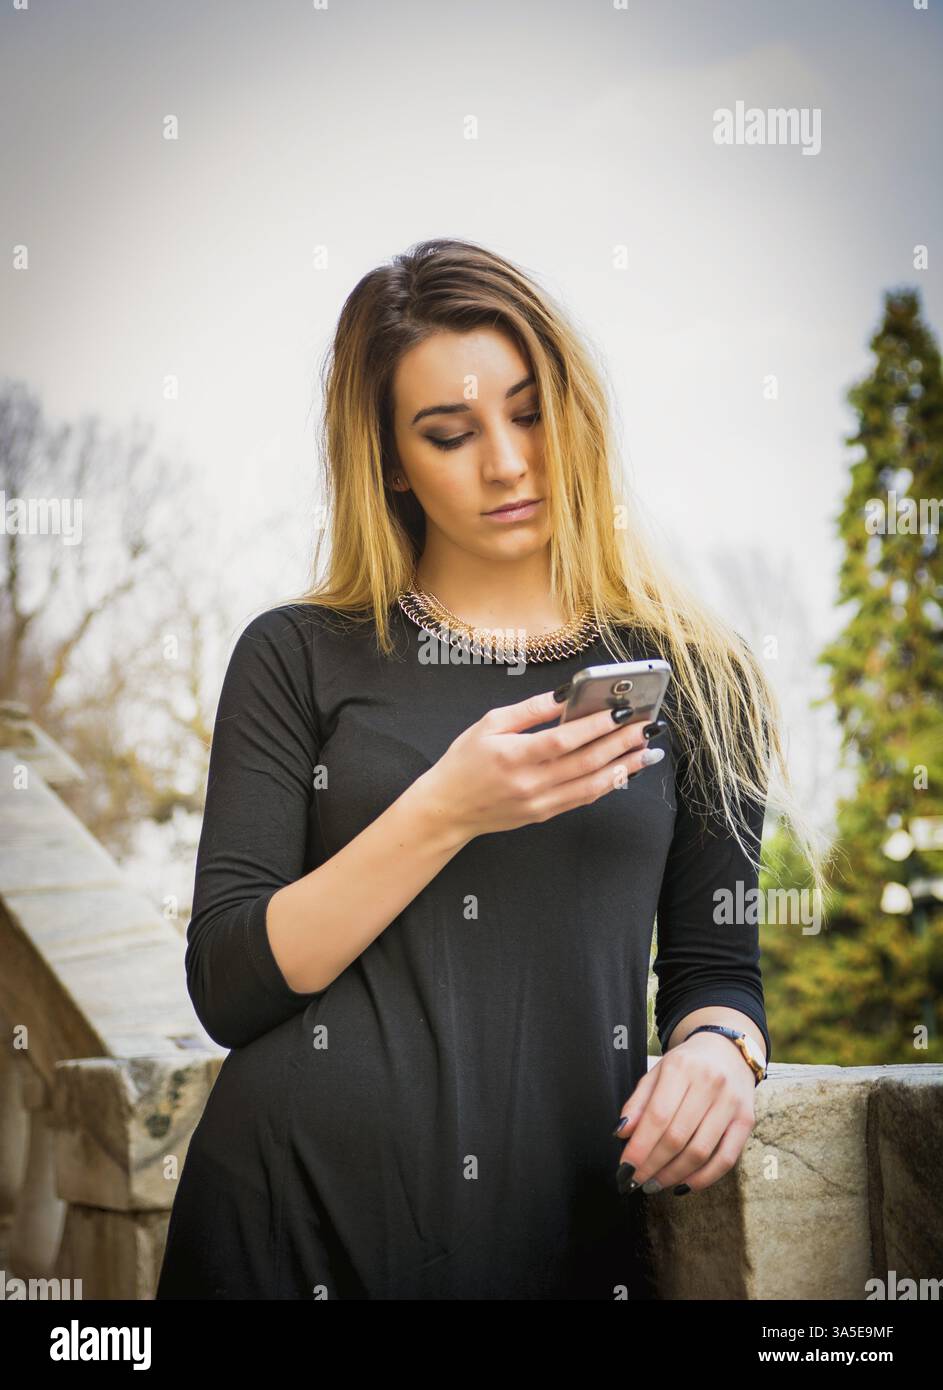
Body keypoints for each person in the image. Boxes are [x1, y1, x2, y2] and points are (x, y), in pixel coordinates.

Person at [155, 237, 822, 1301]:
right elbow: (227, 983)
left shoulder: (699, 677)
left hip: (554, 1242)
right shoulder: (295, 654)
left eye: (529, 411)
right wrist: (446, 809)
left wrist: (719, 1054)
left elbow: (713, 975)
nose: (507, 462)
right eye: (449, 433)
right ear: (388, 460)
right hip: (283, 1224)